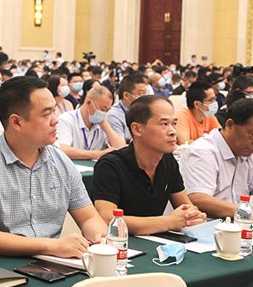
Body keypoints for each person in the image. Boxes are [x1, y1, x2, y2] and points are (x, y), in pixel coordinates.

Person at [0, 76, 107, 258]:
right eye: (46, 114)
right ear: (16, 122)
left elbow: (90, 218)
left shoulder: (60, 161)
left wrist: (99, 237)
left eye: (54, 112)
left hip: (48, 264)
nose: (55, 121)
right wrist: (53, 246)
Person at [92, 95, 206, 235]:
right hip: (120, 243)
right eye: (164, 124)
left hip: (156, 240)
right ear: (137, 129)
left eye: (174, 123)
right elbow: (107, 218)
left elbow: (186, 207)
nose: (173, 132)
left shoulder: (168, 161)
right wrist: (169, 222)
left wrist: (194, 217)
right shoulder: (110, 165)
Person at [181, 98, 253, 219]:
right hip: (206, 224)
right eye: (252, 135)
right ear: (230, 125)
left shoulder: (247, 152)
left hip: (238, 223)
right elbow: (198, 199)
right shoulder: (202, 151)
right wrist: (245, 213)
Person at [56, 86, 126, 160]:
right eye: (103, 109)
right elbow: (63, 149)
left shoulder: (102, 122)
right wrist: (97, 154)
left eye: (107, 110)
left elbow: (120, 149)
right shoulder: (66, 119)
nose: (104, 113)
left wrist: (105, 124)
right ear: (88, 103)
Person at [106, 72, 147, 143]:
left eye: (144, 94)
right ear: (126, 95)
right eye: (140, 94)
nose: (144, 97)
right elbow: (119, 145)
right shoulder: (113, 115)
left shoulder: (145, 110)